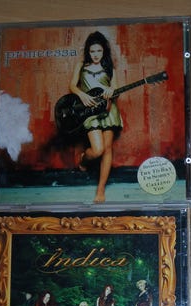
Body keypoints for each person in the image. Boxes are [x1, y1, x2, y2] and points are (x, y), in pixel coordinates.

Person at [69, 31, 122, 202]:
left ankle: (100, 190)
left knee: (107, 149)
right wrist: (81, 94)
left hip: (108, 110)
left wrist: (111, 91)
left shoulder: (109, 68)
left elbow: (116, 90)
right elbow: (72, 85)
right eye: (92, 51)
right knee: (97, 150)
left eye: (99, 51)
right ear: (88, 51)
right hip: (89, 111)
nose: (96, 55)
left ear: (104, 51)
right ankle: (84, 160)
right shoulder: (81, 65)